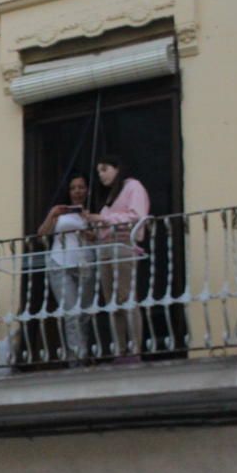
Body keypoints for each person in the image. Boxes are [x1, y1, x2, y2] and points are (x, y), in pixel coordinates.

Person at [83, 154, 150, 360]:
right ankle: (120, 350)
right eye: (98, 172)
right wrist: (94, 230)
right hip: (105, 249)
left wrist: (102, 218)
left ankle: (136, 349)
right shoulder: (110, 198)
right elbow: (106, 226)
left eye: (104, 169)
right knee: (112, 302)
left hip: (122, 246)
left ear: (117, 168)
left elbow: (136, 216)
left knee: (126, 296)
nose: (101, 175)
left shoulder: (133, 187)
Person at [37, 172, 95, 362]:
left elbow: (98, 237)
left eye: (81, 187)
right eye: (73, 188)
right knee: (71, 313)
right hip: (60, 264)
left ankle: (83, 355)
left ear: (87, 190)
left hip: (85, 263)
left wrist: (88, 223)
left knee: (84, 314)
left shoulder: (93, 211)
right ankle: (75, 360)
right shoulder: (60, 212)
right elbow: (41, 234)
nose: (77, 191)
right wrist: (52, 214)